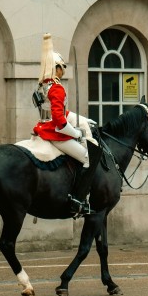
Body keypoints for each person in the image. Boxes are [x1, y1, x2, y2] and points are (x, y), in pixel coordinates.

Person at [32, 33, 101, 216]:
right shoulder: (57, 88)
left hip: (42, 127)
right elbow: (59, 121)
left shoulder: (44, 86)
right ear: (56, 68)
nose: (63, 71)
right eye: (61, 68)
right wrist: (76, 134)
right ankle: (78, 201)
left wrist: (82, 119)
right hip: (54, 133)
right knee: (87, 158)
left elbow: (60, 112)